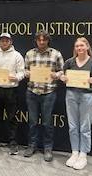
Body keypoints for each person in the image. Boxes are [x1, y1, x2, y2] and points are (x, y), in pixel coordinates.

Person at [60, 37, 92, 170]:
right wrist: (63, 78)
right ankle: (74, 152)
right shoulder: (69, 62)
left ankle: (83, 154)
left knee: (85, 127)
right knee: (73, 126)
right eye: (77, 46)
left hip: (87, 96)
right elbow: (63, 76)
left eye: (82, 46)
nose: (79, 48)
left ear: (87, 47)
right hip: (71, 95)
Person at [23, 30, 64, 162]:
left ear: (48, 40)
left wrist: (56, 75)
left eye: (44, 40)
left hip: (49, 92)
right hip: (32, 91)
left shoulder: (56, 54)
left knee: (47, 123)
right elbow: (24, 70)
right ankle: (32, 145)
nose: (41, 42)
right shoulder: (29, 54)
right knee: (33, 122)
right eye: (39, 40)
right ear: (36, 41)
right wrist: (26, 73)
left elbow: (62, 71)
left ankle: (47, 148)